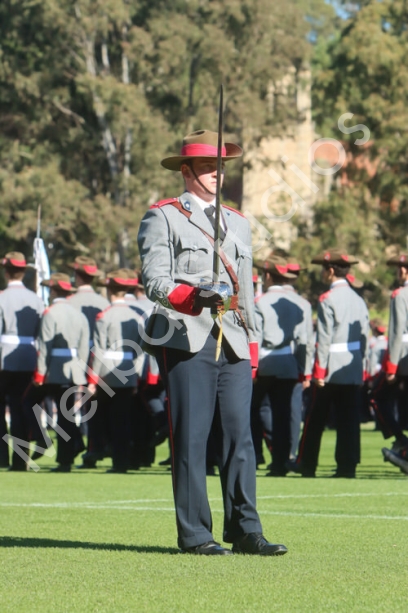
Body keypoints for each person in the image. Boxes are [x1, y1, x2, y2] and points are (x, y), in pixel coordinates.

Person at [137, 129, 287, 555]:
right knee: (192, 437)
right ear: (186, 171)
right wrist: (193, 296)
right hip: (187, 335)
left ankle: (246, 530)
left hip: (235, 338)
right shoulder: (163, 216)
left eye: (220, 166)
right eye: (207, 167)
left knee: (240, 437)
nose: (217, 174)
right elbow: (155, 281)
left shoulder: (238, 221)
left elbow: (247, 290)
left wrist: (253, 348)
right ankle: (196, 535)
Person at [295, 249, 369, 478]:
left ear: (330, 271)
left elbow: (324, 338)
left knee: (315, 418)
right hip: (352, 367)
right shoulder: (359, 300)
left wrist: (319, 371)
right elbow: (364, 338)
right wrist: (361, 366)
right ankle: (348, 466)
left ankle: (307, 464)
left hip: (330, 368)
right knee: (349, 419)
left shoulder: (327, 299)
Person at [253, 255, 308, 476]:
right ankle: (281, 462)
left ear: (267, 276)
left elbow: (255, 337)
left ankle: (256, 454)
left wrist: (253, 367)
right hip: (288, 362)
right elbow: (303, 341)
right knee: (283, 415)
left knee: (252, 410)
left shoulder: (260, 302)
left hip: (265, 361)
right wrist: (303, 369)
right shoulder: (300, 303)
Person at [33, 273, 89, 472]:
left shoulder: (50, 313)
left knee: (55, 411)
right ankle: (74, 446)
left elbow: (45, 347)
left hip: (55, 368)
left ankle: (65, 457)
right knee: (66, 413)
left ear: (53, 291)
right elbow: (83, 347)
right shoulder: (79, 314)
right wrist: (81, 371)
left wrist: (40, 373)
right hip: (74, 368)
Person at [87, 269, 141, 473]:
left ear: (110, 290)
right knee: (123, 420)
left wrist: (92, 380)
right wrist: (135, 376)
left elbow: (98, 351)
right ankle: (122, 461)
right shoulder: (136, 317)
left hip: (106, 373)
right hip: (128, 372)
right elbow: (140, 352)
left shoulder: (104, 316)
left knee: (105, 419)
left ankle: (105, 452)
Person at [0, 252, 44, 470]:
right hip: (28, 358)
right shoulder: (36, 300)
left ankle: (1, 458)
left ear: (6, 272)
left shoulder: (1, 297)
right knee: (19, 408)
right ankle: (20, 459)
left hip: (4, 359)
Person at [68, 255, 109, 468]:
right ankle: (96, 447)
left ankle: (82, 446)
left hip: (78, 359)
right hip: (101, 360)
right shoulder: (104, 302)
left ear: (77, 276)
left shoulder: (69, 302)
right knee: (97, 408)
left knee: (74, 407)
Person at [379, 254, 408, 474]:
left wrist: (391, 367)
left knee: (378, 397)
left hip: (404, 358)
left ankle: (402, 442)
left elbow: (397, 333)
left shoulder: (400, 295)